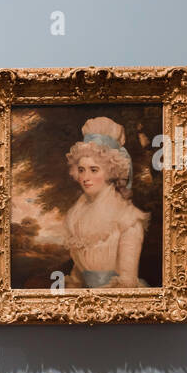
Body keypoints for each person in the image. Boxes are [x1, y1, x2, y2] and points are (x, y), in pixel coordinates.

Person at [61, 116, 151, 289]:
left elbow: (126, 283)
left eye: (94, 170)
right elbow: (78, 276)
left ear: (111, 172)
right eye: (81, 170)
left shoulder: (128, 219)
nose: (85, 178)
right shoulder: (77, 216)